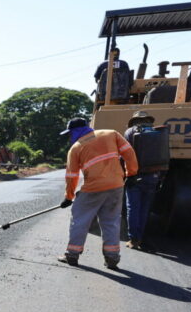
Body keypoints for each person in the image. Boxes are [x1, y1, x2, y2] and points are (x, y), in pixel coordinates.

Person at [58, 117, 138, 269]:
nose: (70, 137)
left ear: (75, 131)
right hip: (116, 185)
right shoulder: (111, 134)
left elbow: (71, 176)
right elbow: (129, 153)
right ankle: (112, 258)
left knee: (80, 220)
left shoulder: (75, 148)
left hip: (93, 189)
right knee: (111, 221)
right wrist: (131, 173)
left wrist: (68, 197)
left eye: (70, 133)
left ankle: (72, 254)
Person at [122, 110, 167, 251]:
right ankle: (140, 237)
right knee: (145, 208)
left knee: (133, 208)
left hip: (135, 176)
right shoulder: (157, 132)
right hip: (153, 176)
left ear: (134, 121)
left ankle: (133, 239)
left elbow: (124, 155)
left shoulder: (129, 132)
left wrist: (124, 174)